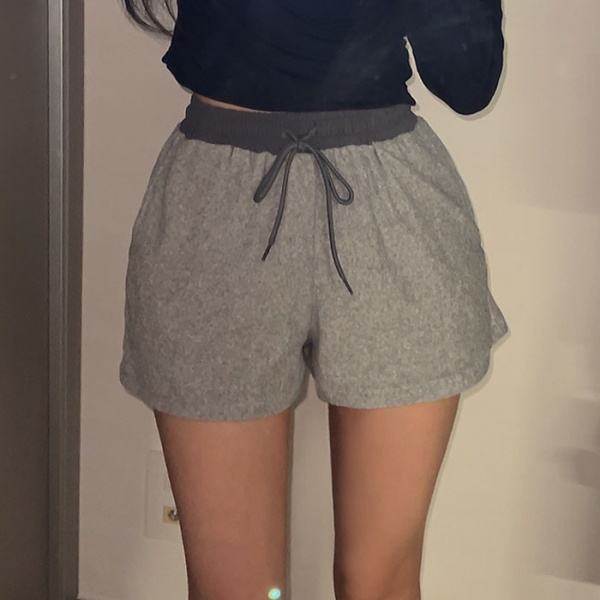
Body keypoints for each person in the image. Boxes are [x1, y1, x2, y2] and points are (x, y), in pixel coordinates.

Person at [118, 1, 509, 599]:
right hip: (215, 205)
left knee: (380, 585)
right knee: (233, 591)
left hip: (391, 206)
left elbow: (467, 80)